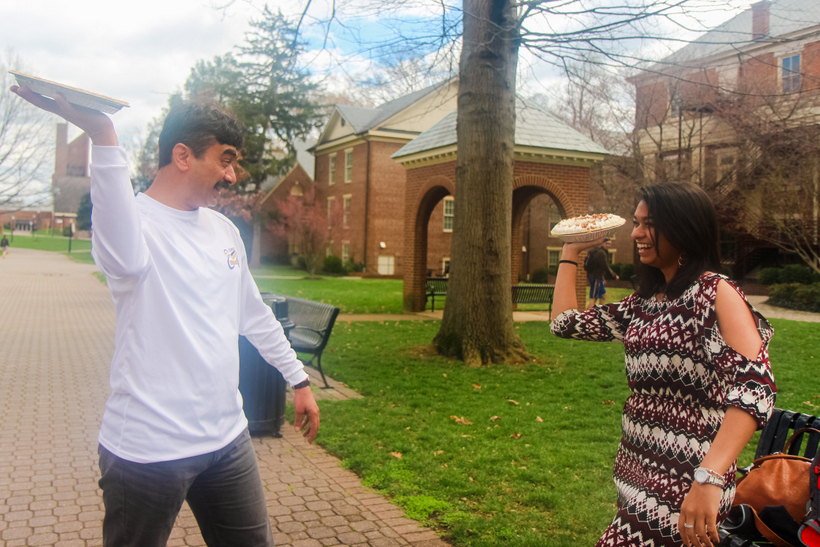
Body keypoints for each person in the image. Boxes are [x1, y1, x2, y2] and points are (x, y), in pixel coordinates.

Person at [11, 85, 320, 547]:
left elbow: (253, 315)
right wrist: (102, 134)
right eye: (226, 158)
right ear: (182, 155)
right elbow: (127, 262)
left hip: (228, 441)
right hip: (146, 452)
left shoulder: (222, 230)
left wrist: (298, 381)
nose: (232, 175)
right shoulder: (134, 225)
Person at [550, 182, 776, 547]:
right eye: (637, 222)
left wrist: (709, 479)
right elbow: (564, 323)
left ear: (683, 229)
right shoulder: (644, 303)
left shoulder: (714, 292)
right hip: (635, 471)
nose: (636, 233)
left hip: (688, 480)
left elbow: (756, 385)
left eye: (649, 223)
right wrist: (571, 247)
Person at [585, 237, 619, 308]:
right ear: (602, 243)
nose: (608, 245)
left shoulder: (600, 252)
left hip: (598, 277)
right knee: (594, 297)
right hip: (596, 277)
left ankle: (602, 312)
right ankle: (589, 313)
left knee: (603, 295)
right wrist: (613, 275)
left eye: (609, 244)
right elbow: (604, 266)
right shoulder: (601, 252)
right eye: (606, 243)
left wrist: (603, 278)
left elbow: (600, 267)